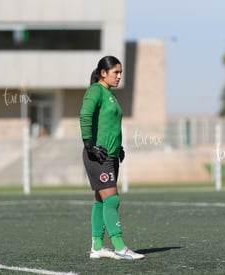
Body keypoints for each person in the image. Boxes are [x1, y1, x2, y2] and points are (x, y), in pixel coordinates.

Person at [79, 56, 144, 260]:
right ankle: (119, 247)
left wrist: (119, 147)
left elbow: (110, 125)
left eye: (121, 72)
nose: (119, 76)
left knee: (100, 200)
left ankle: (97, 247)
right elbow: (85, 116)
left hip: (111, 154)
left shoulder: (109, 94)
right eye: (116, 72)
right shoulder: (96, 91)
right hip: (98, 155)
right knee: (112, 199)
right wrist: (89, 145)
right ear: (103, 73)